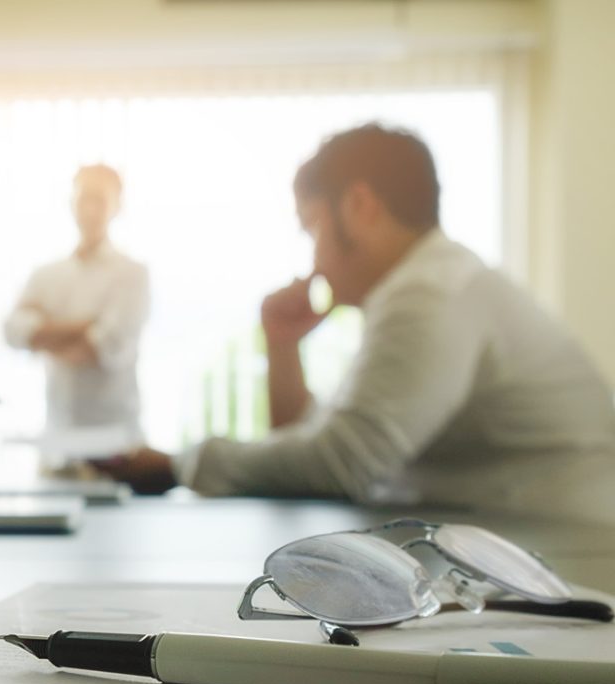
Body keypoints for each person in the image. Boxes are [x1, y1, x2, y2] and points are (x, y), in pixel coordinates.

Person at [98, 124, 615, 524]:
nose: (314, 258)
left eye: (314, 227)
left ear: (360, 206)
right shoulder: (427, 285)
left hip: (562, 555)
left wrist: (179, 463)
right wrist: (282, 348)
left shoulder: (429, 295)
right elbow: (325, 443)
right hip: (531, 541)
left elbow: (340, 464)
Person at [3, 164, 151, 461]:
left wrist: (44, 331)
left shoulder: (132, 274)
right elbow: (12, 331)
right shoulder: (46, 274)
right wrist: (85, 325)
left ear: (118, 206)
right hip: (58, 442)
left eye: (100, 199)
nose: (91, 209)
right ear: (71, 202)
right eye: (84, 198)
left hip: (118, 447)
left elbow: (100, 347)